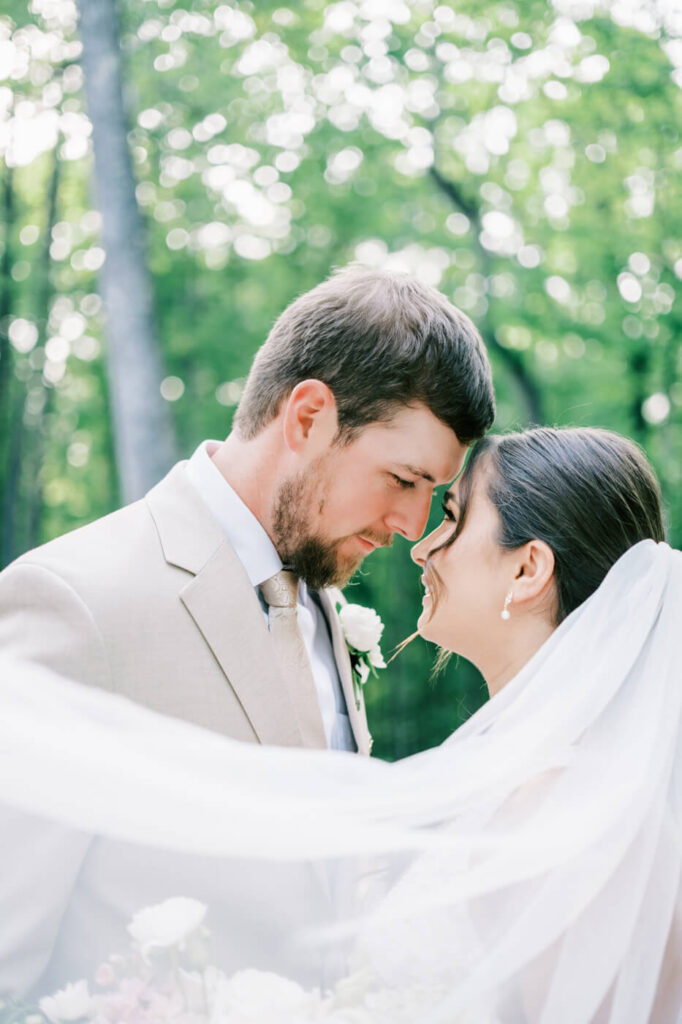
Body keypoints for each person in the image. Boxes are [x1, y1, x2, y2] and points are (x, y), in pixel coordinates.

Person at [1, 425, 680, 1023]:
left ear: (528, 568)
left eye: (452, 517)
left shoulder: (565, 809)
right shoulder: (513, 777)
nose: (420, 546)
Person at [0, 267, 494, 995]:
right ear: (306, 418)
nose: (409, 528)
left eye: (433, 495)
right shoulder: (73, 603)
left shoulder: (324, 604)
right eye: (403, 479)